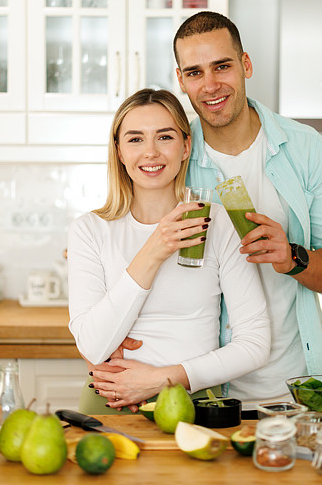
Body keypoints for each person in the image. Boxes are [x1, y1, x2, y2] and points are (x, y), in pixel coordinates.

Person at [172, 11, 322, 404]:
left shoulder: (304, 147)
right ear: (181, 80)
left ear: (246, 64)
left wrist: (293, 256)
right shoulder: (173, 154)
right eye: (194, 73)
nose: (210, 86)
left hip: (296, 392)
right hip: (203, 395)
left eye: (222, 66)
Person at [67, 88, 271, 414]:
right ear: (118, 151)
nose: (150, 152)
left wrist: (163, 380)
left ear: (185, 146)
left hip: (195, 404)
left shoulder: (218, 223)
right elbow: (92, 344)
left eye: (164, 137)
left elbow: (255, 344)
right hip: (110, 404)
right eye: (135, 139)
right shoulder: (90, 230)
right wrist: (154, 249)